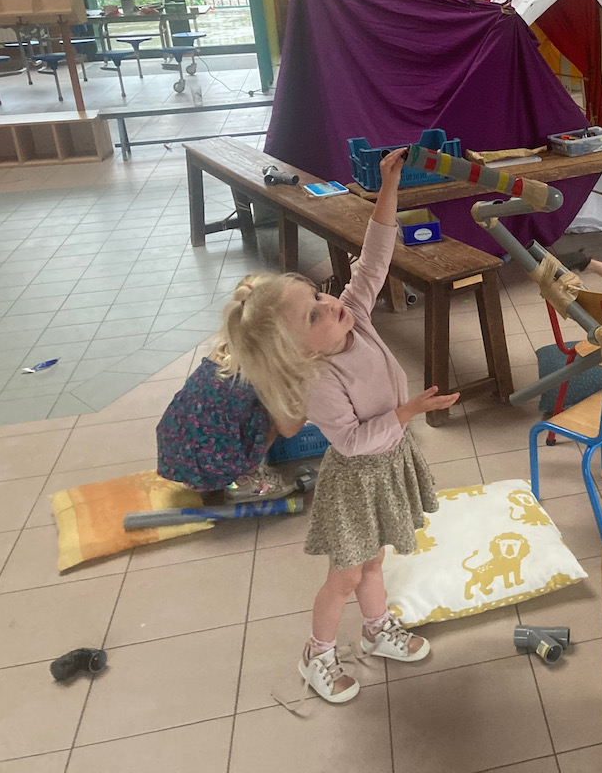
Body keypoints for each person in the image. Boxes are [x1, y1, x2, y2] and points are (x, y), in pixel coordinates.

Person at [221, 148, 460, 704]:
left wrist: (388, 188)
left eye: (318, 295)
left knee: (375, 560)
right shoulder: (319, 380)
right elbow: (350, 441)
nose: (330, 304)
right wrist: (406, 413)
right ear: (298, 350)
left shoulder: (355, 316)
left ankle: (376, 630)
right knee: (346, 575)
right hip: (356, 480)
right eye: (314, 315)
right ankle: (318, 654)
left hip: (387, 463)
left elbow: (373, 260)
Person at [155, 342, 298, 501]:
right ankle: (243, 481)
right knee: (281, 410)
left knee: (246, 406)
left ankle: (212, 477)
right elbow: (288, 429)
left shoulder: (227, 348)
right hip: (209, 460)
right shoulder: (273, 365)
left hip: (173, 450)